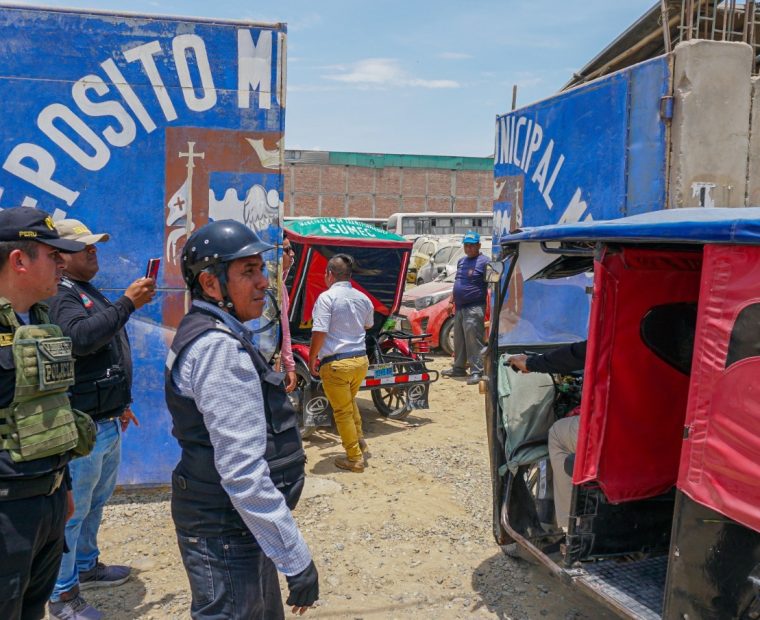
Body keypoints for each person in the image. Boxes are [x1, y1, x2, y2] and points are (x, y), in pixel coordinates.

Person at [166, 219, 319, 618]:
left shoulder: (215, 332)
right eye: (248, 272)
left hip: (233, 523)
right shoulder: (218, 349)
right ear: (211, 284)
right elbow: (242, 471)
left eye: (261, 270)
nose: (264, 283)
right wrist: (295, 558)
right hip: (225, 528)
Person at [46, 219, 156, 620]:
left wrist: (120, 402)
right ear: (59, 255)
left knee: (95, 503)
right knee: (72, 514)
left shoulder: (85, 289)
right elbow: (79, 339)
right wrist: (127, 303)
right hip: (83, 427)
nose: (94, 252)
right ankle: (62, 594)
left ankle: (86, 566)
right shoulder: (60, 295)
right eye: (85, 248)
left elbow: (103, 352)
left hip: (106, 421)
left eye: (95, 247)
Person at [0, 207, 86, 620]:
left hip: (47, 499)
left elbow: (53, 407)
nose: (62, 263)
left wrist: (63, 485)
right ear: (19, 261)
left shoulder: (40, 319)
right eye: (52, 255)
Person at [507, 341, 587, 530]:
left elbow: (579, 353)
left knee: (558, 433)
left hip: (620, 428)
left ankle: (571, 528)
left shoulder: (616, 331)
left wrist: (532, 363)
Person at [309, 254, 374, 473]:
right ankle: (360, 443)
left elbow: (319, 331)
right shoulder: (363, 298)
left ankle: (354, 458)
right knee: (350, 403)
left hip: (337, 364)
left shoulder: (326, 298)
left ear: (329, 274)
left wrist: (312, 357)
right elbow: (367, 326)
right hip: (360, 361)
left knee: (342, 412)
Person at [442, 231, 489, 385]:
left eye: (471, 245)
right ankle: (459, 368)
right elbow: (458, 281)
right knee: (459, 339)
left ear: (478, 246)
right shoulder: (462, 261)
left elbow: (492, 284)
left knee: (473, 340)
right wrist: (451, 301)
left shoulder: (484, 262)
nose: (468, 248)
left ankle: (477, 371)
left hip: (474, 307)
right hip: (460, 307)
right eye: (466, 245)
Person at [279, 234, 297, 393]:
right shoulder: (277, 288)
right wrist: (290, 366)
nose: (292, 254)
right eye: (287, 250)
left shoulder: (279, 284)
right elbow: (284, 331)